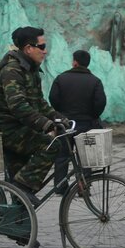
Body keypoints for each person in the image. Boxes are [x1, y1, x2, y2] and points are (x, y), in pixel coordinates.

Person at [0, 26, 69, 206]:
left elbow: (39, 103)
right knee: (50, 145)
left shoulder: (31, 71)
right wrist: (46, 125)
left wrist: (59, 118)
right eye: (42, 46)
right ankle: (20, 187)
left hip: (20, 130)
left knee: (23, 186)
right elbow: (18, 106)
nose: (45, 50)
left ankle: (19, 229)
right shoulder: (13, 71)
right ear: (28, 48)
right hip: (6, 131)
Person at [49, 50, 106, 193]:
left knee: (62, 155)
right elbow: (100, 103)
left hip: (65, 124)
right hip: (86, 124)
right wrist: (92, 115)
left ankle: (61, 186)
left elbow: (53, 99)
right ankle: (84, 185)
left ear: (74, 62)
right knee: (85, 156)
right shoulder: (95, 81)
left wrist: (61, 113)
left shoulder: (61, 78)